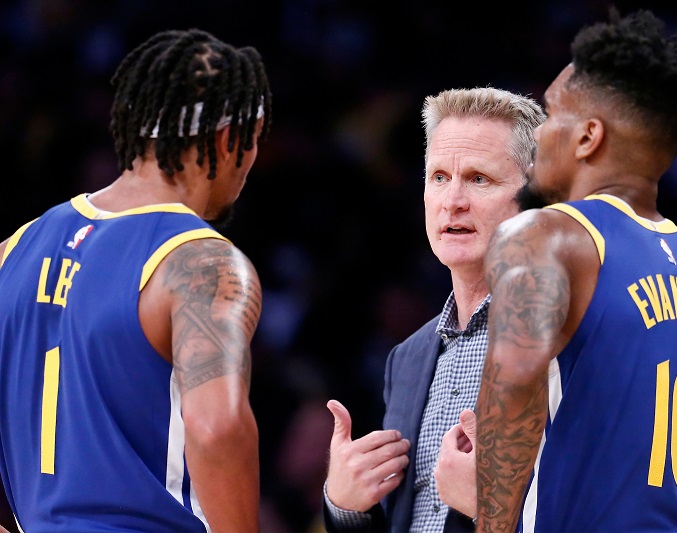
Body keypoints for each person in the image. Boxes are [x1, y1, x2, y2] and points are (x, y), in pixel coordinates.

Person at [473, 8, 677, 532]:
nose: (535, 131)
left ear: (588, 137)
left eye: (550, 112)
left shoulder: (546, 235)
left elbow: (514, 385)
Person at [0, 29, 270, 532]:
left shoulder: (15, 247)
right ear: (227, 139)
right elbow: (216, 428)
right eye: (254, 141)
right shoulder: (202, 262)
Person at [323, 87, 545, 532]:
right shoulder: (406, 358)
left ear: (535, 196)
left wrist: (492, 510)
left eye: (479, 179)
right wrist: (346, 506)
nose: (453, 200)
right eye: (439, 177)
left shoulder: (567, 343)